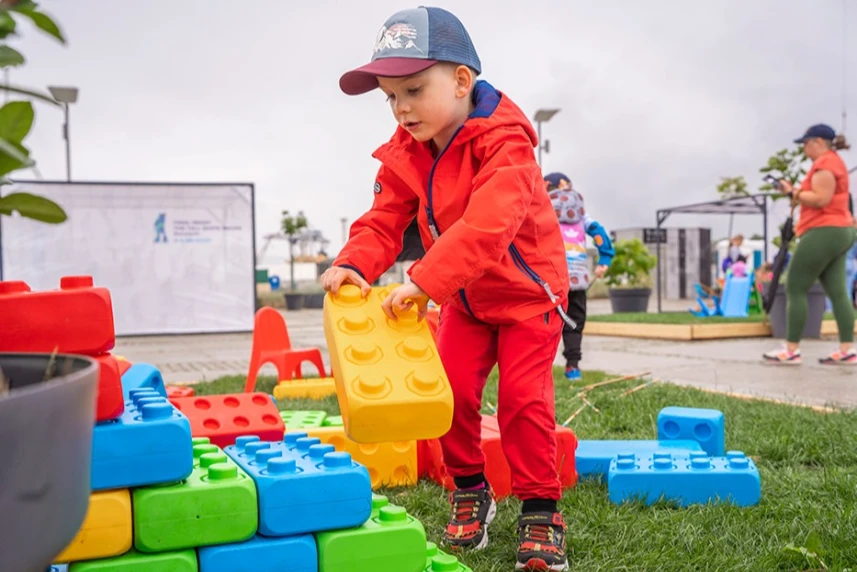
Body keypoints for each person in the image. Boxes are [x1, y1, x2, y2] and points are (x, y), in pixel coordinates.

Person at [321, 7, 571, 571]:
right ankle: (469, 490)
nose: (401, 107)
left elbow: (488, 227)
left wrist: (422, 282)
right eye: (389, 96)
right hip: (467, 299)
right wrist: (355, 262)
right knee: (450, 393)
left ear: (461, 81)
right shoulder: (410, 147)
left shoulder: (506, 145)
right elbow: (387, 215)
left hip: (529, 297)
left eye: (413, 89)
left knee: (523, 402)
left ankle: (540, 508)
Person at [764, 124, 856, 365]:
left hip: (824, 230)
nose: (804, 148)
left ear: (818, 142)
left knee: (795, 286)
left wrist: (792, 191)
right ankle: (847, 349)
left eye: (805, 143)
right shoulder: (834, 162)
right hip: (841, 230)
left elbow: (821, 199)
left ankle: (791, 349)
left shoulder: (826, 165)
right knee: (837, 291)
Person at [544, 173, 614, 381]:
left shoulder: (543, 211)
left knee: (542, 323)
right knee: (575, 322)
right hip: (577, 279)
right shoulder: (582, 217)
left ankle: (540, 368)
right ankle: (572, 366)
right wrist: (604, 260)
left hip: (549, 279)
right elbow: (600, 234)